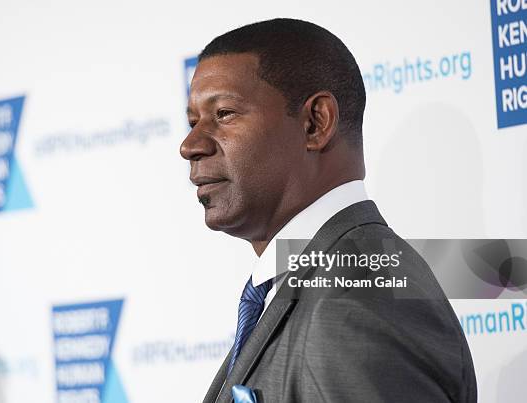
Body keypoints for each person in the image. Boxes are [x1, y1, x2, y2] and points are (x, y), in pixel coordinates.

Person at [180, 18, 477, 403]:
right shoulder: (311, 280)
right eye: (192, 121)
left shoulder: (356, 299)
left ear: (315, 123)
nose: (190, 145)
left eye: (223, 114)